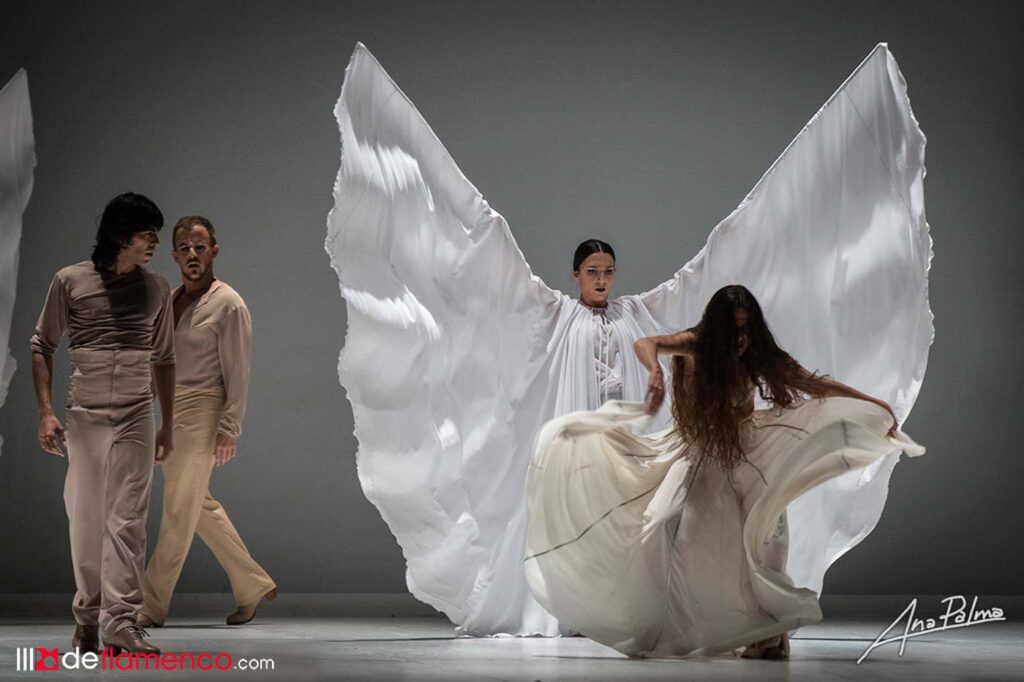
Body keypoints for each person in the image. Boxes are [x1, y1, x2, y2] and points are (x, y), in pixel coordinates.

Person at [326, 44, 932, 637]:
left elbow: (788, 362)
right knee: (616, 503)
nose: (603, 280)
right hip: (623, 437)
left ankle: (749, 622)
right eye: (593, 272)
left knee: (739, 532)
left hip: (700, 448)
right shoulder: (556, 314)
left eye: (609, 271)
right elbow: (489, 263)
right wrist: (653, 371)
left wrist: (868, 403)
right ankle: (613, 606)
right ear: (575, 276)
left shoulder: (640, 313)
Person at [524, 285, 924, 658]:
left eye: (747, 327)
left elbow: (811, 383)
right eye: (734, 328)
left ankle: (763, 634)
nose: (741, 337)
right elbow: (646, 343)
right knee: (663, 523)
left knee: (760, 542)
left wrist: (874, 404)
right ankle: (666, 622)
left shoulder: (758, 355)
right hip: (697, 451)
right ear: (717, 327)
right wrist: (655, 370)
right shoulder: (696, 344)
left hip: (744, 452)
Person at [31, 193, 175, 655]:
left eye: (154, 233)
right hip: (86, 413)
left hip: (136, 409)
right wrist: (46, 412)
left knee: (128, 519)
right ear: (119, 235)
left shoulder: (156, 287)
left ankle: (122, 620)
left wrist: (167, 424)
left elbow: (165, 357)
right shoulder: (70, 281)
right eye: (144, 233)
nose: (153, 242)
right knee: (86, 516)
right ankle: (88, 618)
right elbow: (42, 344)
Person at [139, 216, 276, 628]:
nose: (192, 255)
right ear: (175, 255)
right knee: (196, 503)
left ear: (214, 250)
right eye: (184, 248)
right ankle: (252, 583)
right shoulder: (172, 299)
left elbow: (239, 370)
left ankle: (150, 605)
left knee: (179, 509)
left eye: (200, 247)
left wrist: (229, 427)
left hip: (203, 409)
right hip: (168, 409)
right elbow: (158, 361)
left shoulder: (228, 303)